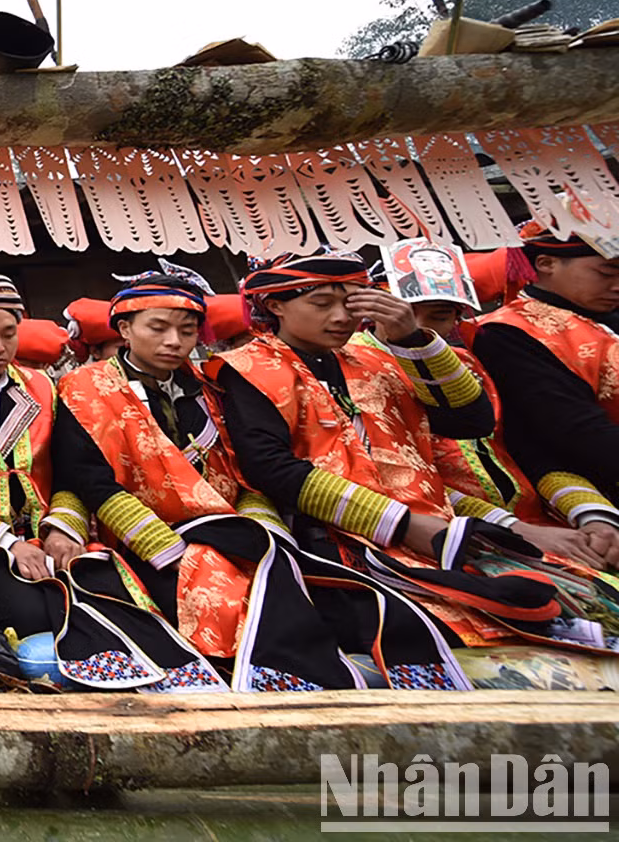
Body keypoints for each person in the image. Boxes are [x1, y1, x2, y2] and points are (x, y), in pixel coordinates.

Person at [56, 273, 467, 691]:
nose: (174, 342)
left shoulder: (211, 384)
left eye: (186, 330)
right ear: (125, 329)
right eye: (157, 328)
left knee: (289, 582)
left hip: (232, 527)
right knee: (214, 589)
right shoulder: (83, 388)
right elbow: (92, 480)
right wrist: (165, 549)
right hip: (144, 536)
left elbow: (245, 473)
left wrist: (264, 533)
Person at [205, 251, 598, 658]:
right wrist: (402, 524)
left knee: (568, 600)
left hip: (437, 529)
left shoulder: (379, 358)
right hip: (341, 539)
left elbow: (470, 422)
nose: (341, 317)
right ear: (275, 306)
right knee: (431, 633)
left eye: (351, 303)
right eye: (322, 304)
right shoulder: (246, 368)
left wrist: (412, 338)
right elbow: (269, 467)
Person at [0, 262, 214, 690]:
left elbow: (73, 471)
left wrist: (62, 529)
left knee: (108, 587)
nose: (0, 346)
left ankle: (168, 682)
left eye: (8, 333)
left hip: (48, 534)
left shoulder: (43, 387)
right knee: (30, 608)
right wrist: (7, 544)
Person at [374, 252, 619, 570]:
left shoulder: (468, 363)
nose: (417, 329)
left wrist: (593, 515)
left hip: (541, 521)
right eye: (404, 316)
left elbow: (525, 453)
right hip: (447, 534)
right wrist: (513, 529)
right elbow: (402, 479)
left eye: (439, 316)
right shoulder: (365, 370)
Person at [474, 223, 619, 525]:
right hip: (592, 491)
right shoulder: (510, 333)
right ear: (546, 264)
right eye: (607, 273)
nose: (617, 284)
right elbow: (578, 434)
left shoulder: (605, 317)